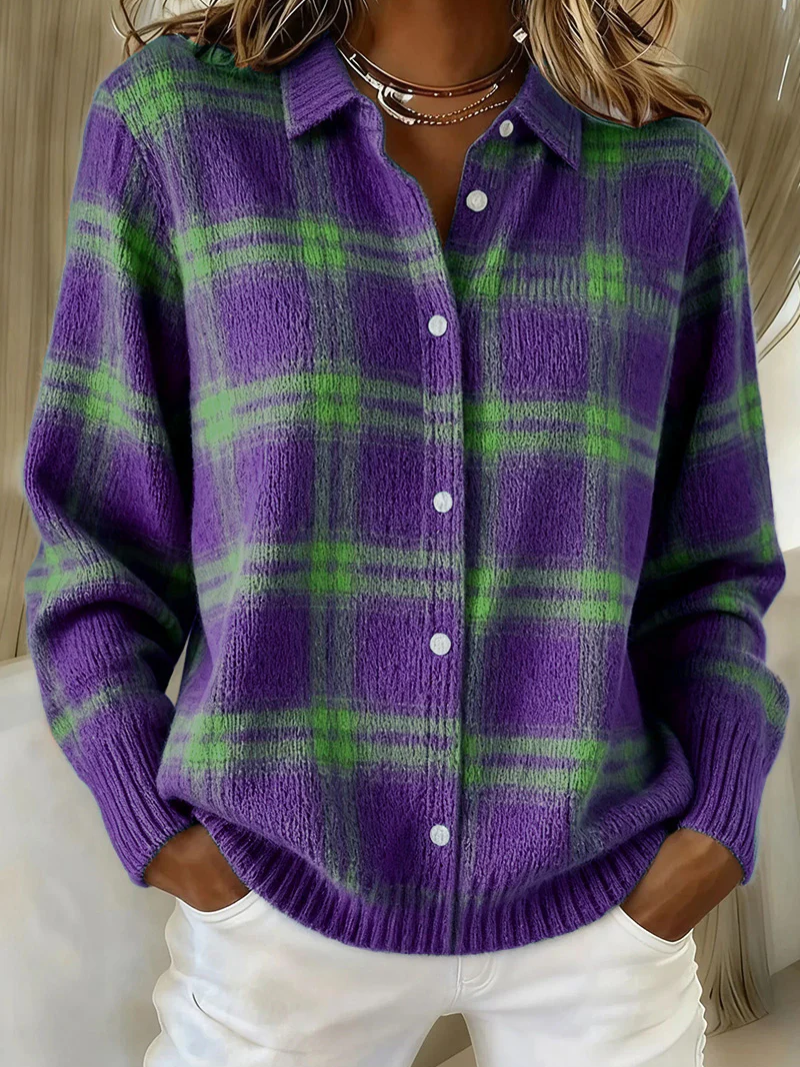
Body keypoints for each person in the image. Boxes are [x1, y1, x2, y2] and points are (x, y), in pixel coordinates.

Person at [21, 0, 790, 1064]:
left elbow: (710, 571)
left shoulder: (664, 176)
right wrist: (161, 836)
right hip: (277, 908)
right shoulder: (174, 130)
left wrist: (711, 831)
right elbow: (96, 538)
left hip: (603, 917)